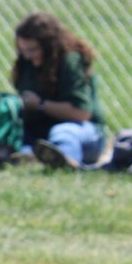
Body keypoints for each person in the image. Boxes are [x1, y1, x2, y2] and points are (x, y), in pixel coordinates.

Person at [13, 11, 106, 169]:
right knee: (16, 132)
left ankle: (64, 161)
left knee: (62, 132)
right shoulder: (26, 63)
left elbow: (81, 113)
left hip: (83, 133)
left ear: (50, 47)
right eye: (23, 49)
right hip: (41, 131)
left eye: (33, 50)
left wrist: (40, 105)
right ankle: (27, 157)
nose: (27, 56)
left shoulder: (71, 61)